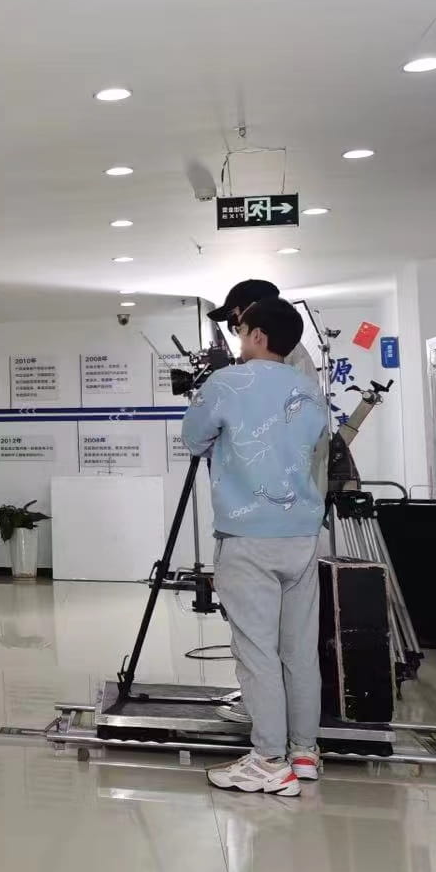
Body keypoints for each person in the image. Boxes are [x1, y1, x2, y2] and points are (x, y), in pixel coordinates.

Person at [181, 297, 328, 795]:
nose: (239, 339)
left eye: (241, 330)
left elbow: (193, 439)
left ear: (259, 335)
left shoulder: (225, 383)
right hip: (302, 534)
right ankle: (304, 751)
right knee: (299, 650)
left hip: (248, 537)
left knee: (256, 651)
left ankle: (268, 760)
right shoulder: (308, 387)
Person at [208, 277, 330, 497]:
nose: (237, 329)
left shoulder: (279, 356)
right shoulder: (285, 352)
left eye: (237, 322)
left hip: (286, 488)